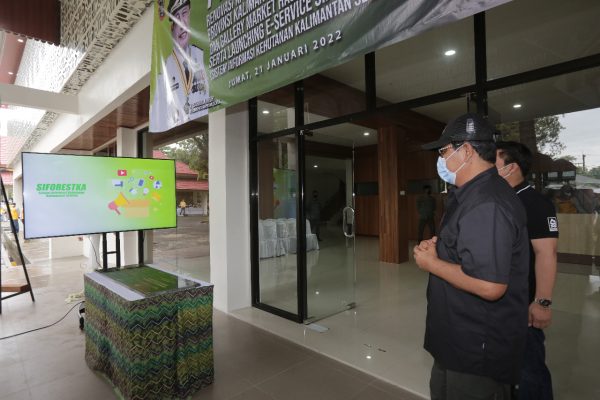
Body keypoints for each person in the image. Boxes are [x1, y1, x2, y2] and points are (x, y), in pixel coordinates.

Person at [414, 113, 530, 400]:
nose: (441, 159)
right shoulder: (469, 195)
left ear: (465, 150)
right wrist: (440, 249)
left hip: (476, 349)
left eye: (443, 151)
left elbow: (490, 285)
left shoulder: (487, 203)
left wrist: (432, 263)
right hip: (456, 339)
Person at [496, 141, 558, 400]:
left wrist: (542, 302)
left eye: (493, 162)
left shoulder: (535, 203)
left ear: (511, 167)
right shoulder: (502, 200)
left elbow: (547, 253)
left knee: (529, 371)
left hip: (524, 305)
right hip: (501, 301)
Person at [150, 0, 210, 132]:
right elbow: (157, 119)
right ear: (171, 28)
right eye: (177, 18)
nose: (182, 24)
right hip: (179, 130)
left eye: (185, 13)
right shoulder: (164, 71)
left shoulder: (202, 57)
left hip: (202, 126)